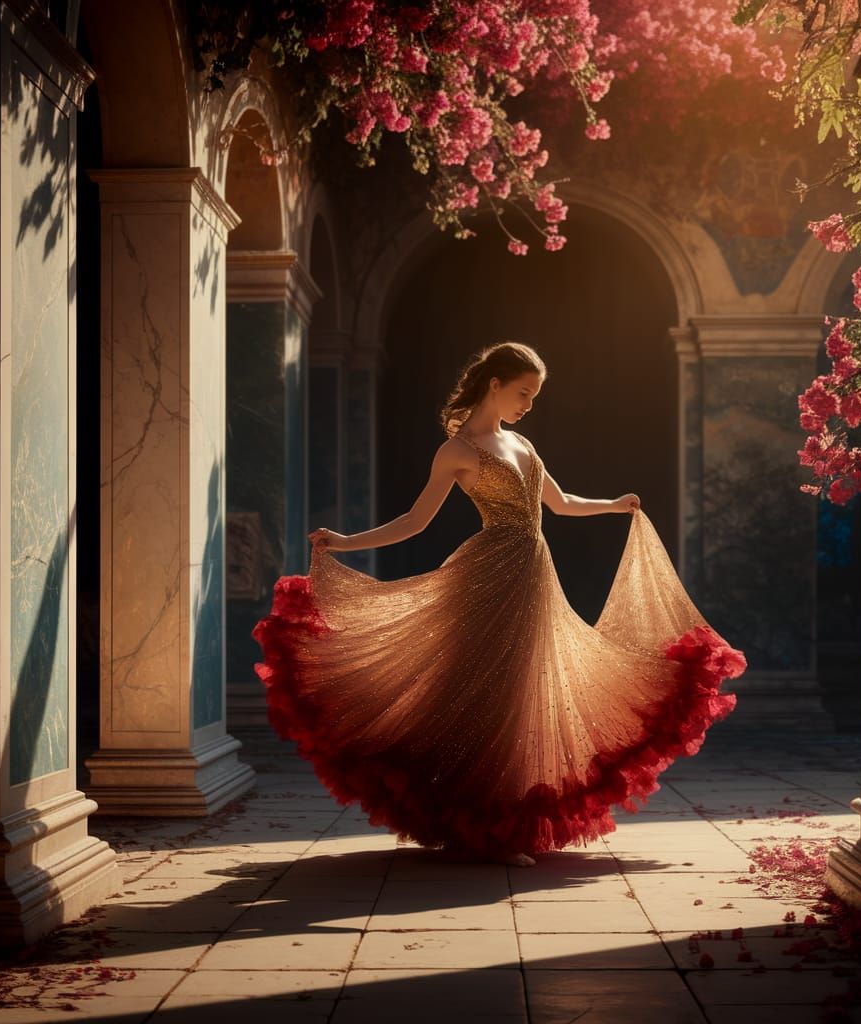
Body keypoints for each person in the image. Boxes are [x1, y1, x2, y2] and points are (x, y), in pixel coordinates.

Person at [253, 341, 745, 867]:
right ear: (494, 385)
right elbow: (415, 522)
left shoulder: (523, 444)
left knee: (525, 693)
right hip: (486, 576)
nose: (528, 404)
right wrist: (345, 542)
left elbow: (559, 504)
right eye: (523, 392)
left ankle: (498, 823)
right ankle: (489, 828)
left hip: (533, 576)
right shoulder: (457, 450)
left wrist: (614, 505)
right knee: (488, 695)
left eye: (533, 396)